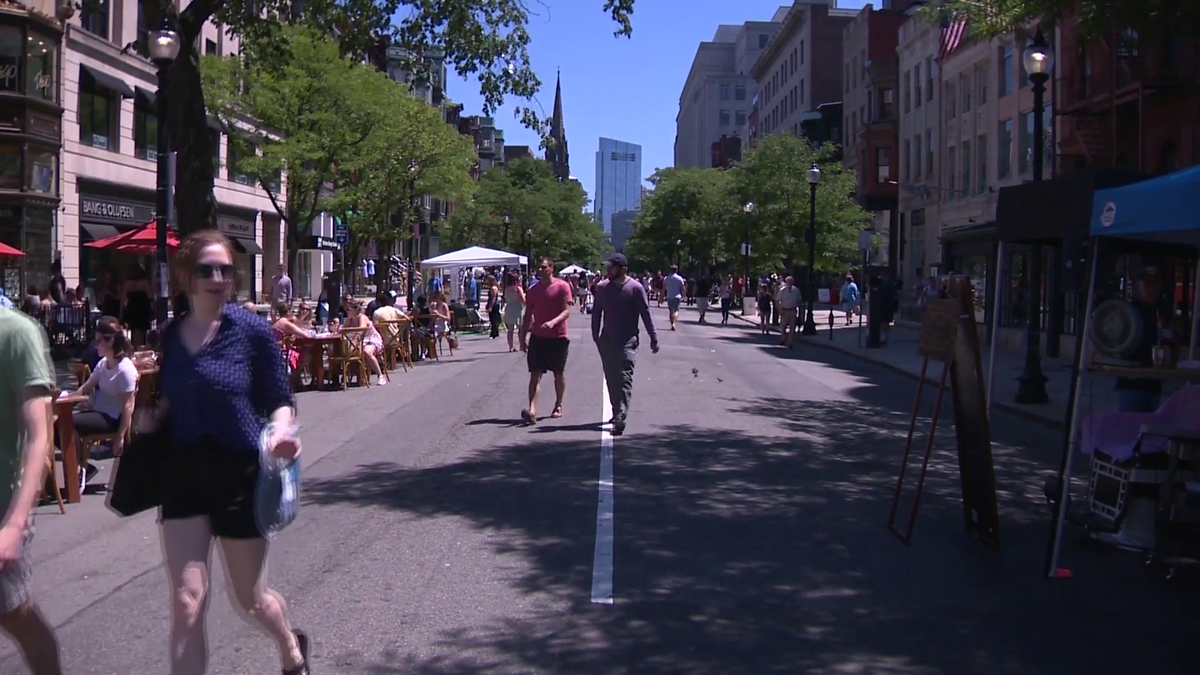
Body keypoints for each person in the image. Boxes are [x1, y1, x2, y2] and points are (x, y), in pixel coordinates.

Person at [156, 230, 310, 675]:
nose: (217, 277)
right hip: (184, 474)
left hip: (240, 475)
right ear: (186, 275)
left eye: (225, 269)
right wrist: (153, 418)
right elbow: (174, 398)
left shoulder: (253, 333)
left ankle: (290, 647)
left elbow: (281, 397)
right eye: (206, 269)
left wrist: (281, 431)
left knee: (251, 600)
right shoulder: (171, 336)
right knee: (187, 601)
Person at [0, 304, 64, 675]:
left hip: (3, 505)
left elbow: (39, 435)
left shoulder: (17, 333)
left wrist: (15, 522)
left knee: (17, 615)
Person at [591, 253, 658, 436]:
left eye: (612, 267)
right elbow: (596, 312)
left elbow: (645, 313)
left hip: (628, 341)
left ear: (623, 269)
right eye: (608, 267)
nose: (608, 270)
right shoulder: (602, 288)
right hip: (607, 340)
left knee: (624, 377)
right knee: (611, 378)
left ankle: (621, 417)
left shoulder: (635, 288)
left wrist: (653, 337)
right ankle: (616, 410)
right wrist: (595, 336)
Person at [72, 318, 138, 489]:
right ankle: (83, 466)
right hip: (98, 412)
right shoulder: (103, 364)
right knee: (59, 423)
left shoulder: (125, 370)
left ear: (111, 342)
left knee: (70, 424)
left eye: (100, 340)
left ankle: (80, 468)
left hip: (113, 418)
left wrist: (120, 436)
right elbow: (86, 388)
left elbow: (129, 406)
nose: (96, 345)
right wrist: (65, 400)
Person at [519, 258, 573, 423]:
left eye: (543, 267)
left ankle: (558, 404)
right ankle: (532, 409)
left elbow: (567, 311)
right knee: (535, 374)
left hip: (558, 337)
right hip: (538, 337)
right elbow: (528, 315)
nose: (540, 270)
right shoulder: (534, 290)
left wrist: (553, 322)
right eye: (539, 267)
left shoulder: (562, 286)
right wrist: (522, 338)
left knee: (558, 373)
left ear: (551, 268)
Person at [1116, 265, 1166, 412]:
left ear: (1160, 286)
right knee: (1128, 429)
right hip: (1131, 384)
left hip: (1154, 386)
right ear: (1139, 286)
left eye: (1154, 285)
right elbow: (1108, 338)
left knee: (1150, 431)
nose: (1151, 289)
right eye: (1146, 285)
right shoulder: (1129, 312)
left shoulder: (1163, 313)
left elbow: (1172, 342)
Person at [342, 300, 389, 385]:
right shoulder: (350, 319)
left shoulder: (362, 317)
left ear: (356, 310)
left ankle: (380, 375)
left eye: (349, 309)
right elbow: (341, 331)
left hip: (371, 339)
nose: (347, 311)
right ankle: (349, 377)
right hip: (358, 341)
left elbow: (362, 328)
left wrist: (347, 330)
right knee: (342, 351)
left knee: (366, 352)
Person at [776, 275, 803, 347]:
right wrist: (779, 309)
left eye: (791, 282)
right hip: (784, 310)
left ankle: (790, 342)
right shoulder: (782, 290)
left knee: (792, 327)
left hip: (792, 310)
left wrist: (800, 310)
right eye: (788, 282)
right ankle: (783, 338)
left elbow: (799, 300)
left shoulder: (796, 290)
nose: (790, 283)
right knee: (783, 327)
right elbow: (777, 300)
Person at [502, 271, 526, 353]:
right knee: (520, 329)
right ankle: (522, 344)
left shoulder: (507, 289)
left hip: (509, 308)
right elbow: (523, 300)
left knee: (510, 330)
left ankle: (511, 346)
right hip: (517, 308)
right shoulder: (518, 288)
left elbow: (504, 299)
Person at [662, 265, 685, 331]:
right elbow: (683, 287)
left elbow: (663, 288)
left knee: (671, 311)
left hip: (669, 296)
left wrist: (662, 297)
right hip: (677, 296)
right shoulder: (679, 278)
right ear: (676, 270)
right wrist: (684, 295)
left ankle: (672, 323)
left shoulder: (666, 278)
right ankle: (674, 323)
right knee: (676, 311)